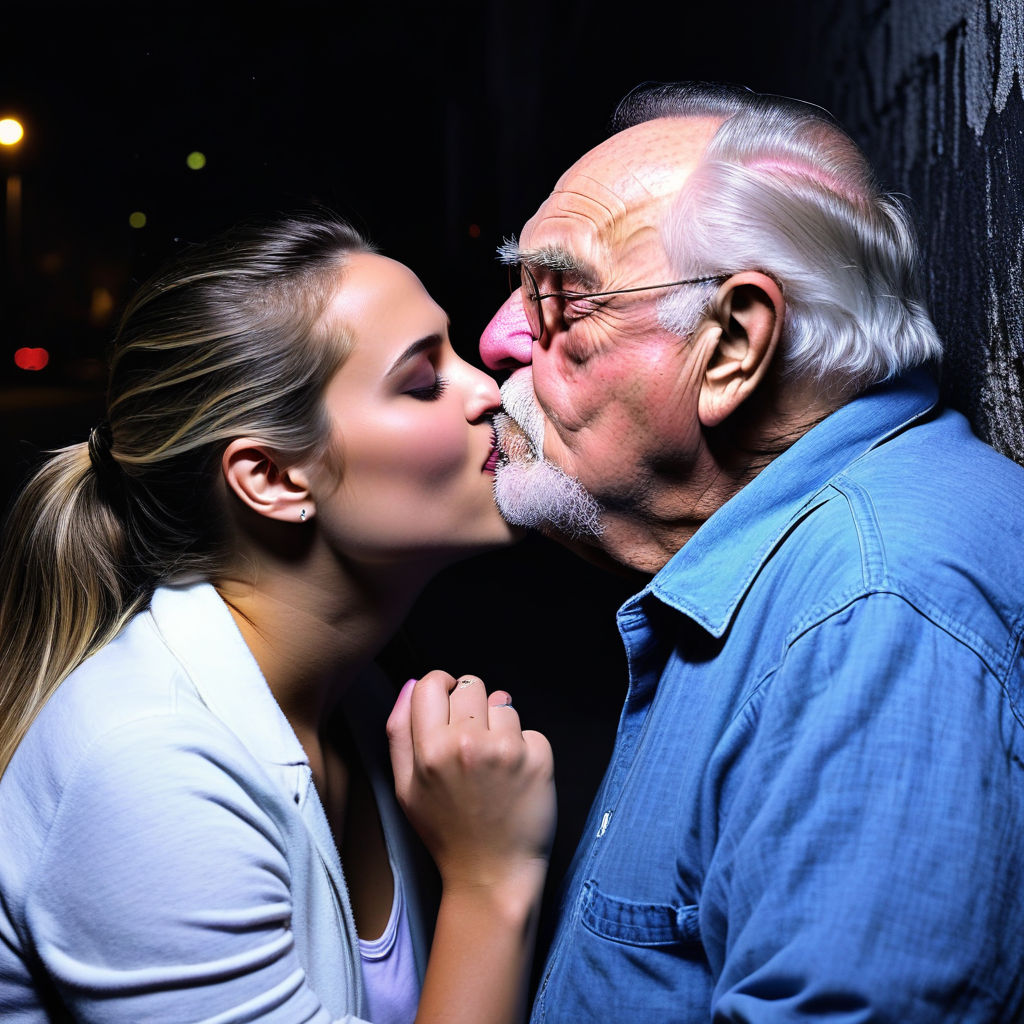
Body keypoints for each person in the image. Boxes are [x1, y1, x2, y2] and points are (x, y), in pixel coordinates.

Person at [479, 80, 1024, 1021]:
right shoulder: (793, 567)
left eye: (560, 300)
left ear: (731, 346)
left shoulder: (874, 613)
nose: (497, 337)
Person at [0, 211, 555, 1024]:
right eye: (422, 380)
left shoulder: (358, 704)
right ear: (271, 479)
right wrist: (489, 879)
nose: (487, 389)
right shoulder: (150, 768)